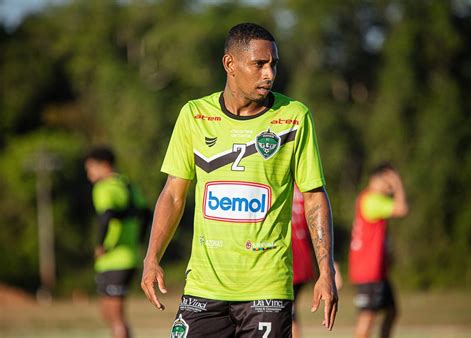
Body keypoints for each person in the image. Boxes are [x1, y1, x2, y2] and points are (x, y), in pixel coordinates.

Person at [141, 22, 338, 337]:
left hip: (267, 290)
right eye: (259, 64)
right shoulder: (194, 115)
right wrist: (152, 258)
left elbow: (315, 197)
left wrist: (326, 270)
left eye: (273, 64)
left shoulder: (295, 117)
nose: (269, 74)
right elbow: (173, 195)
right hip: (203, 287)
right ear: (229, 64)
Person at [85, 146, 151, 338]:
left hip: (114, 258)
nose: (89, 174)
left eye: (90, 168)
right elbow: (146, 214)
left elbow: (106, 216)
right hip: (130, 256)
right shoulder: (128, 186)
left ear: (104, 165)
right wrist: (139, 240)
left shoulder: (104, 187)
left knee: (115, 317)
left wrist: (100, 245)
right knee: (109, 313)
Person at [348, 163, 409, 338]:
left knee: (391, 311)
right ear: (376, 179)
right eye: (387, 181)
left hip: (377, 271)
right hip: (368, 270)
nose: (389, 187)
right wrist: (398, 184)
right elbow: (402, 208)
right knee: (367, 319)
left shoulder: (370, 199)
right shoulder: (371, 199)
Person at [291, 184, 343, 338]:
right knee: (288, 312)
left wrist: (331, 269)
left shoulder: (304, 191)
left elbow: (317, 226)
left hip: (291, 262)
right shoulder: (304, 191)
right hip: (301, 264)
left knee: (286, 312)